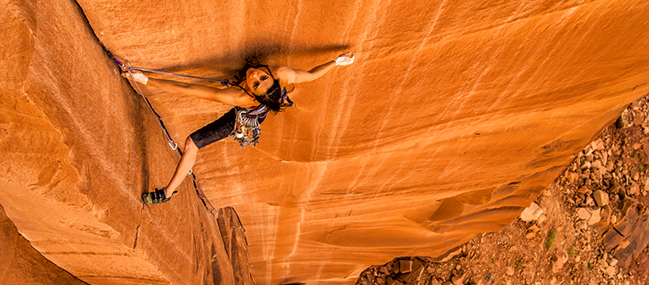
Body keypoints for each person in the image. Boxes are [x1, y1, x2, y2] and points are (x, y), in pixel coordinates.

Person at [123, 52, 355, 204]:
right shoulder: (282, 74)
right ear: (272, 76)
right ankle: (280, 100)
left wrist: (146, 80)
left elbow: (191, 89)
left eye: (255, 83)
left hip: (244, 118)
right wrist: (336, 62)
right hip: (267, 99)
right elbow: (313, 74)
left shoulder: (239, 97)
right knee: (280, 91)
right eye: (262, 77)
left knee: (191, 143)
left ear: (250, 92)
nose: (255, 75)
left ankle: (167, 193)